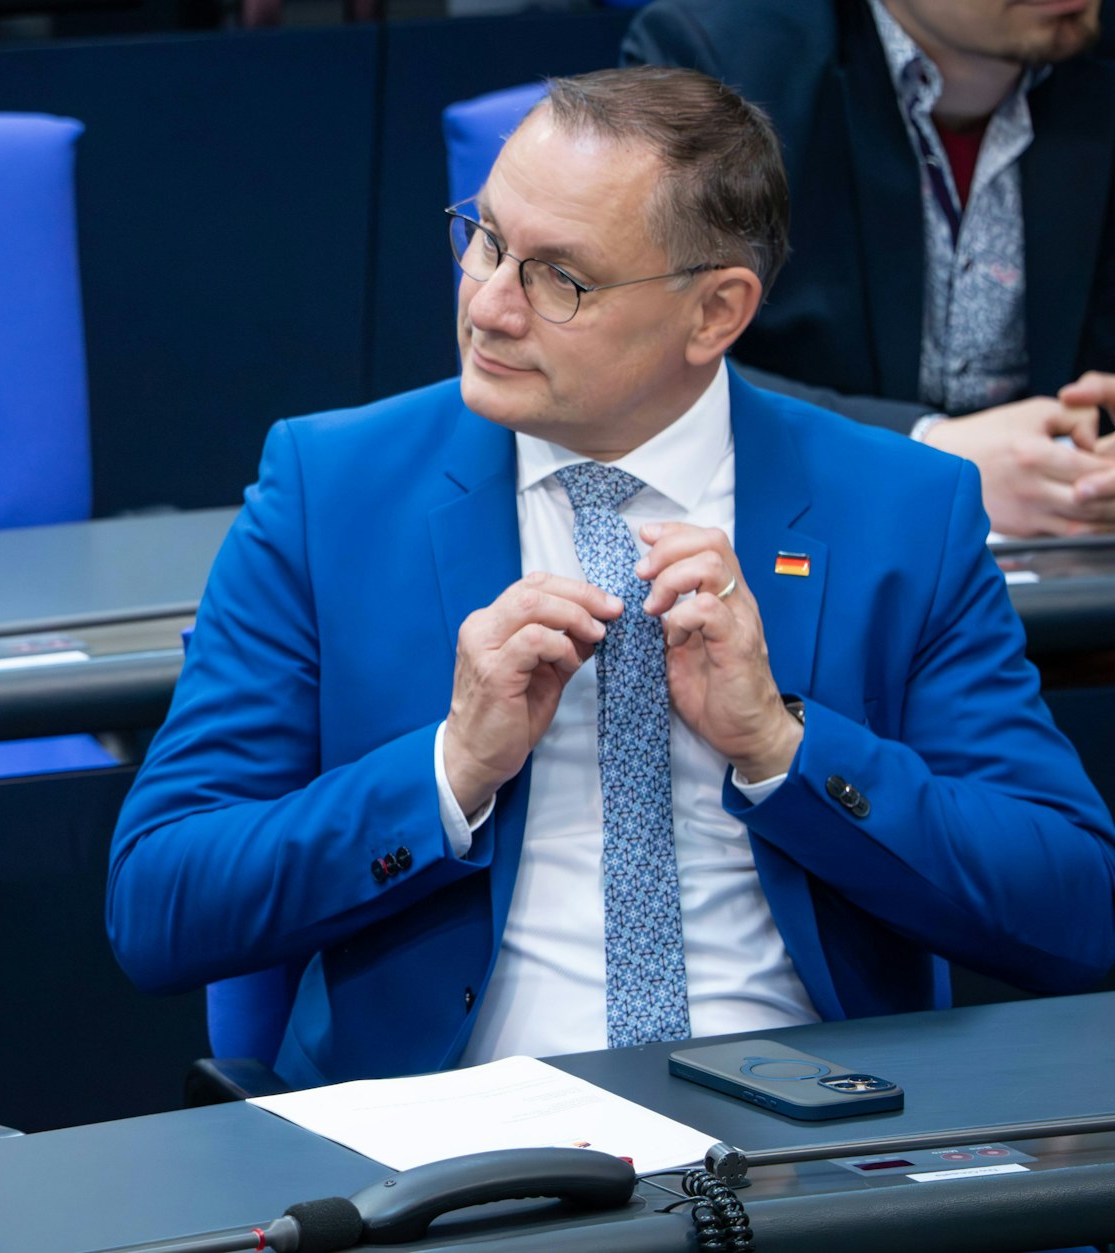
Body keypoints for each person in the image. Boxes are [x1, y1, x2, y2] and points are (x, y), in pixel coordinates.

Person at [106, 67, 1115, 1090]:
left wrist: (781, 744)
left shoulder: (895, 508)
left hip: (807, 1125)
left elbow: (1071, 907)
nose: (489, 305)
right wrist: (449, 768)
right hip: (453, 1138)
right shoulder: (331, 490)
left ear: (714, 312)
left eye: (559, 278)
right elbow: (160, 903)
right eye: (486, 240)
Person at [622, 0, 1115, 539]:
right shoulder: (721, 57)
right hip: (803, 534)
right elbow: (644, 355)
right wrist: (925, 447)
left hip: (1076, 545)